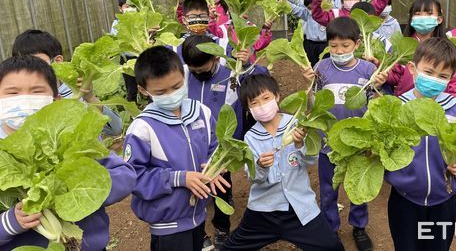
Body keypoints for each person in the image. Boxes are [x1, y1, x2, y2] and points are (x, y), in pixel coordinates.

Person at [0, 55, 135, 250]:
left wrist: (71, 188)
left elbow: (125, 175)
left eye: (36, 92)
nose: (24, 100)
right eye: (13, 93)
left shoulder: (73, 134)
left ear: (56, 99)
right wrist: (10, 222)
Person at [123, 46, 230, 251]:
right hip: (168, 226)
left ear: (184, 75)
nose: (171, 95)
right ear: (144, 90)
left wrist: (214, 166)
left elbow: (215, 146)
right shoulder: (142, 128)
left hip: (198, 217)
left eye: (176, 86)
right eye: (161, 92)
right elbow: (133, 177)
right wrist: (180, 178)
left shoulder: (201, 112)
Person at [221, 74, 344, 251]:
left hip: (300, 209)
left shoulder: (296, 124)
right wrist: (260, 166)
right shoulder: (250, 137)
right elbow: (254, 178)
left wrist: (300, 143)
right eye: (254, 103)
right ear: (248, 109)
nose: (262, 106)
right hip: (263, 211)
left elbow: (311, 159)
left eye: (266, 98)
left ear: (277, 96)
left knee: (331, 246)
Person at [302, 17, 387, 251]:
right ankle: (330, 227)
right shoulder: (321, 68)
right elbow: (313, 106)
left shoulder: (368, 70)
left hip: (359, 143)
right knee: (328, 189)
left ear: (357, 44)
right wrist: (309, 86)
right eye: (333, 46)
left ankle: (359, 226)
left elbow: (376, 106)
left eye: (345, 45)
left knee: (358, 186)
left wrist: (379, 87)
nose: (339, 51)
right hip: (329, 143)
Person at [385, 37, 456, 251]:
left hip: (443, 199)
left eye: (442, 76)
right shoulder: (396, 107)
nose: (434, 80)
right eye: (428, 72)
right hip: (404, 200)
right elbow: (382, 150)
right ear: (412, 69)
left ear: (450, 78)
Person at [181, 34, 268, 248]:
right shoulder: (184, 75)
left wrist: (247, 63)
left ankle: (221, 227)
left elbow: (262, 80)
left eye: (203, 70)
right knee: (194, 190)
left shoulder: (233, 73)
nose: (198, 74)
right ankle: (198, 231)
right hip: (192, 143)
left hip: (223, 145)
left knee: (220, 186)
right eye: (194, 71)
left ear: (216, 59)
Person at [11, 29, 123, 136]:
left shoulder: (75, 91)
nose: (28, 68)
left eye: (35, 61)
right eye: (22, 63)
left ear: (58, 61)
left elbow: (115, 129)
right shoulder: (22, 102)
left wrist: (89, 97)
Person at [386, 0, 456, 98]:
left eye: (429, 14)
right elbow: (395, 76)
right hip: (406, 102)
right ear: (411, 18)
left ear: (439, 19)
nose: (423, 18)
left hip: (438, 104)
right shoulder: (403, 46)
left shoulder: (445, 49)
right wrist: (379, 69)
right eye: (418, 14)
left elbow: (454, 83)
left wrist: (454, 106)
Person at [109, 0, 140, 102]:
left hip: (140, 57)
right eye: (127, 6)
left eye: (132, 6)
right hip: (126, 59)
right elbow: (117, 41)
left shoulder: (140, 21)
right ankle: (133, 111)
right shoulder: (116, 24)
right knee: (131, 87)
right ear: (120, 8)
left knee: (148, 82)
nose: (130, 9)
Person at [287, 0, 328, 66]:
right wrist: (284, 1)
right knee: (312, 66)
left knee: (325, 66)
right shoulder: (307, 13)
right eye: (309, 8)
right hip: (310, 45)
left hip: (325, 45)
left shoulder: (328, 13)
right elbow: (295, 8)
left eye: (312, 7)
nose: (311, 10)